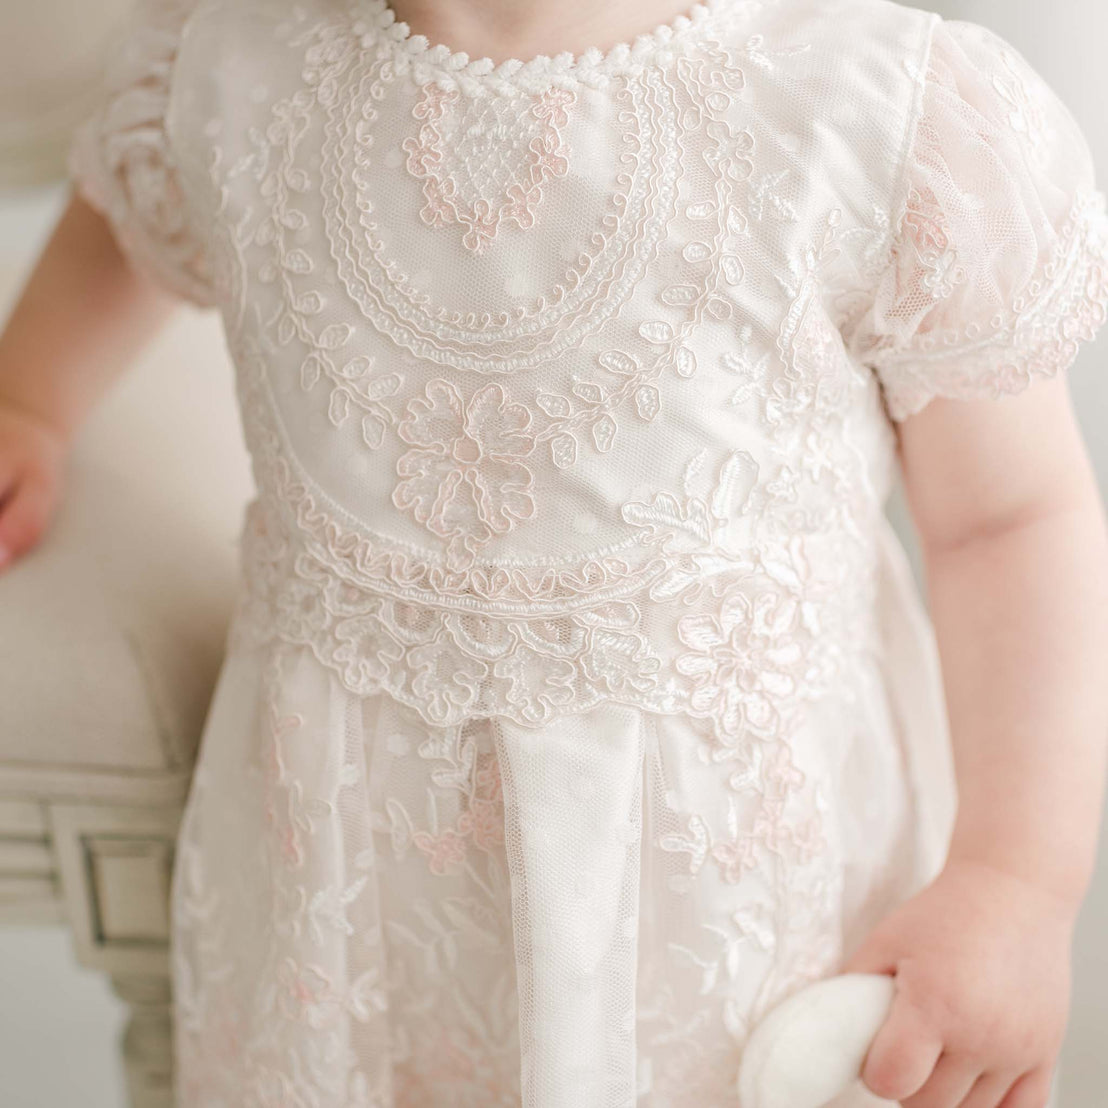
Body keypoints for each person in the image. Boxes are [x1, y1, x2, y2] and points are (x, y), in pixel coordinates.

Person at [1, 0, 1106, 1104]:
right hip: (351, 918)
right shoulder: (230, 58)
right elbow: (136, 212)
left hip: (735, 928)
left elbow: (1008, 521)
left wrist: (1014, 880)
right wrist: (32, 399)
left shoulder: (866, 107)